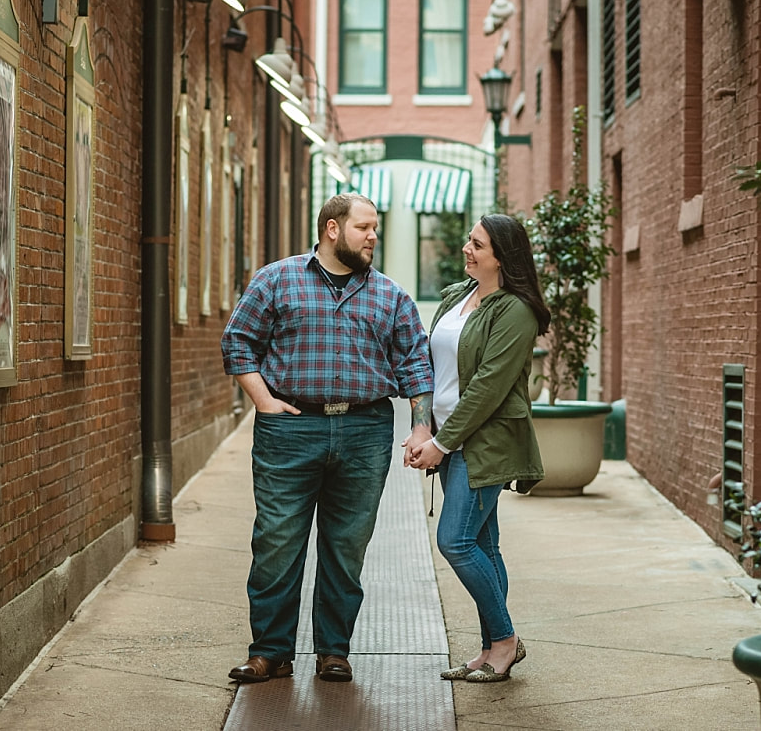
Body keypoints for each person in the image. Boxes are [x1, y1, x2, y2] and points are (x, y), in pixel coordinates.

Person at [221, 193, 434, 684]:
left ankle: (333, 650)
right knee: (277, 543)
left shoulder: (391, 296)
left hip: (366, 431)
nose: (373, 236)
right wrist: (264, 401)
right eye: (364, 228)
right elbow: (239, 340)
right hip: (291, 428)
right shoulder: (277, 279)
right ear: (332, 230)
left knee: (346, 547)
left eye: (376, 228)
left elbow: (416, 364)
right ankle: (270, 652)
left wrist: (421, 425)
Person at [405, 213, 549, 683]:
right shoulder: (456, 296)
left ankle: (506, 640)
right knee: (485, 544)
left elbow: (488, 387)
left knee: (456, 540)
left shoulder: (515, 311)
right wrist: (422, 428)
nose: (467, 249)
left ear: (502, 257)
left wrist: (443, 444)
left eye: (478, 245)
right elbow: (427, 367)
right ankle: (491, 651)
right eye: (469, 240)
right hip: (448, 438)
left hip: (483, 444)